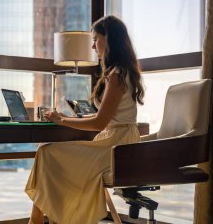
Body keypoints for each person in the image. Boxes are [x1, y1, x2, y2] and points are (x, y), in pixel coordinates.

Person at [25, 15, 145, 224]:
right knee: (49, 155)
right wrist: (65, 117)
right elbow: (106, 117)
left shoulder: (117, 75)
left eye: (96, 39)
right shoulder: (122, 72)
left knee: (47, 152)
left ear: (110, 40)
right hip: (118, 140)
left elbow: (99, 122)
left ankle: (38, 219)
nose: (92, 45)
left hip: (117, 147)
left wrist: (62, 121)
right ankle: (46, 218)